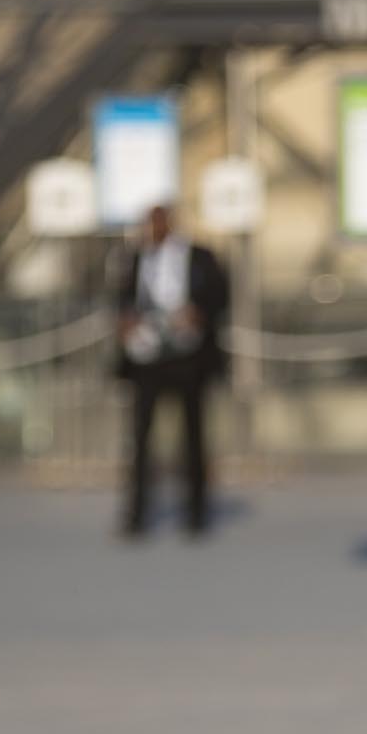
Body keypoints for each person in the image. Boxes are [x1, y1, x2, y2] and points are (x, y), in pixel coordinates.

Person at [111, 203, 229, 537]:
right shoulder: (135, 258)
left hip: (189, 356)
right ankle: (137, 514)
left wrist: (197, 314)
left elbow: (220, 296)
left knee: (192, 435)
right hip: (147, 357)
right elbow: (121, 299)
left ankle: (196, 513)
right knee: (140, 437)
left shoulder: (200, 256)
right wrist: (127, 321)